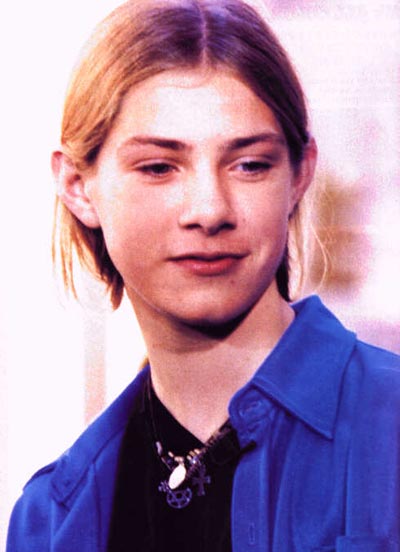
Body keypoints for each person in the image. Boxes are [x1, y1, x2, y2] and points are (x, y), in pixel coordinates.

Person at [7, 0, 400, 550]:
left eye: (249, 165)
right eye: (159, 167)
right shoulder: (49, 519)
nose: (210, 209)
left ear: (299, 174)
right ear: (78, 187)